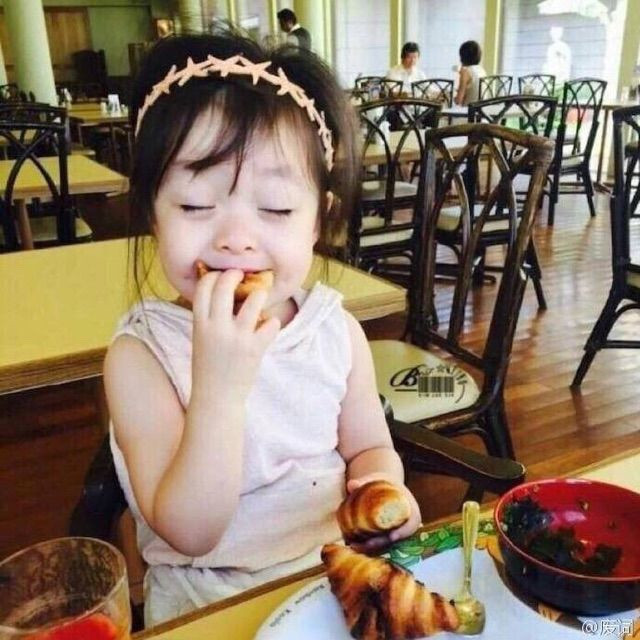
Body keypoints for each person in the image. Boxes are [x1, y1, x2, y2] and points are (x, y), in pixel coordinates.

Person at [104, 31, 421, 627]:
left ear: (318, 221)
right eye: (195, 206)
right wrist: (219, 389)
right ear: (152, 214)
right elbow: (190, 532)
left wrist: (380, 487)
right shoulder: (141, 356)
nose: (235, 239)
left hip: (333, 579)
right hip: (208, 601)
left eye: (275, 208)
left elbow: (368, 447)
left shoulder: (334, 332)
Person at [454, 40, 486, 106]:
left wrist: (448, 97)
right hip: (481, 109)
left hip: (469, 110)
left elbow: (458, 101)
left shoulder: (466, 72)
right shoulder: (482, 70)